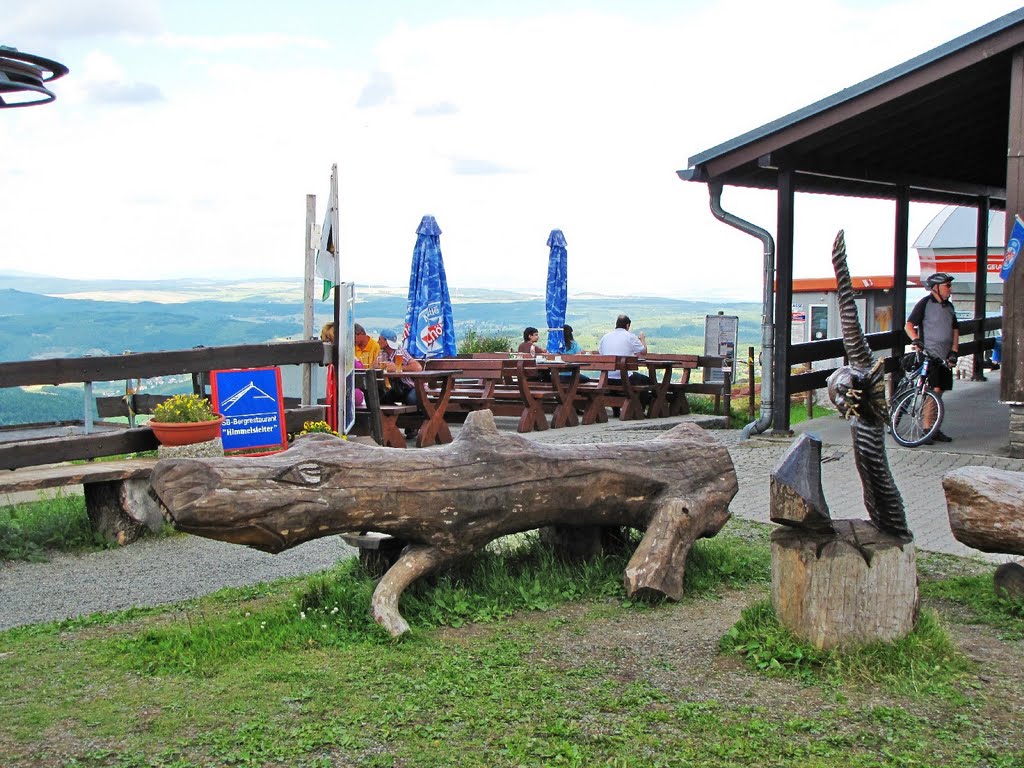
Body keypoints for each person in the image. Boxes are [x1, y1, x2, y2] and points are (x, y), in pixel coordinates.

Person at [905, 272, 960, 443]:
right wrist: (915, 339)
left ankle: (934, 428)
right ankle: (927, 428)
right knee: (933, 390)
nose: (950, 289)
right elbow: (908, 325)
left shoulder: (949, 307)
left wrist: (954, 351)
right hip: (930, 355)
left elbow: (955, 330)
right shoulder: (925, 304)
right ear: (936, 288)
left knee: (940, 391)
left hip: (945, 356)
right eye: (947, 286)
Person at [598, 314, 650, 415]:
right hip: (624, 378)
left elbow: (601, 353)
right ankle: (640, 410)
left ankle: (616, 410)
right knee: (647, 381)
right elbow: (643, 352)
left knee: (617, 382)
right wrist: (642, 339)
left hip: (607, 378)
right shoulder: (630, 336)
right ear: (627, 325)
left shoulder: (605, 337)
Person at [320, 322, 364, 433]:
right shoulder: (347, 358)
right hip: (345, 403)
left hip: (323, 402)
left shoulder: (320, 357)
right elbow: (361, 372)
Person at [376, 328, 423, 406]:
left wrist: (398, 368)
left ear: (386, 342)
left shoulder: (399, 352)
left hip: (409, 387)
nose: (377, 341)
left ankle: (405, 416)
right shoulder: (383, 353)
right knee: (380, 400)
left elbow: (418, 367)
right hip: (396, 389)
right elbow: (373, 367)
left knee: (411, 400)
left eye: (380, 339)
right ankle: (393, 416)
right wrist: (378, 365)